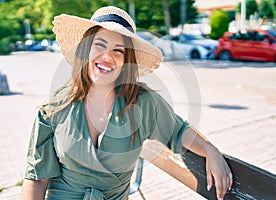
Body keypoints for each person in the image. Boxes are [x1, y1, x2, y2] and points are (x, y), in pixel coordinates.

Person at [21, 6, 232, 200]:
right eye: (100, 45)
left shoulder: (142, 103)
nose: (107, 56)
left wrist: (210, 150)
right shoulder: (54, 109)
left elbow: (178, 130)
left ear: (126, 62)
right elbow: (36, 180)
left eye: (118, 51)